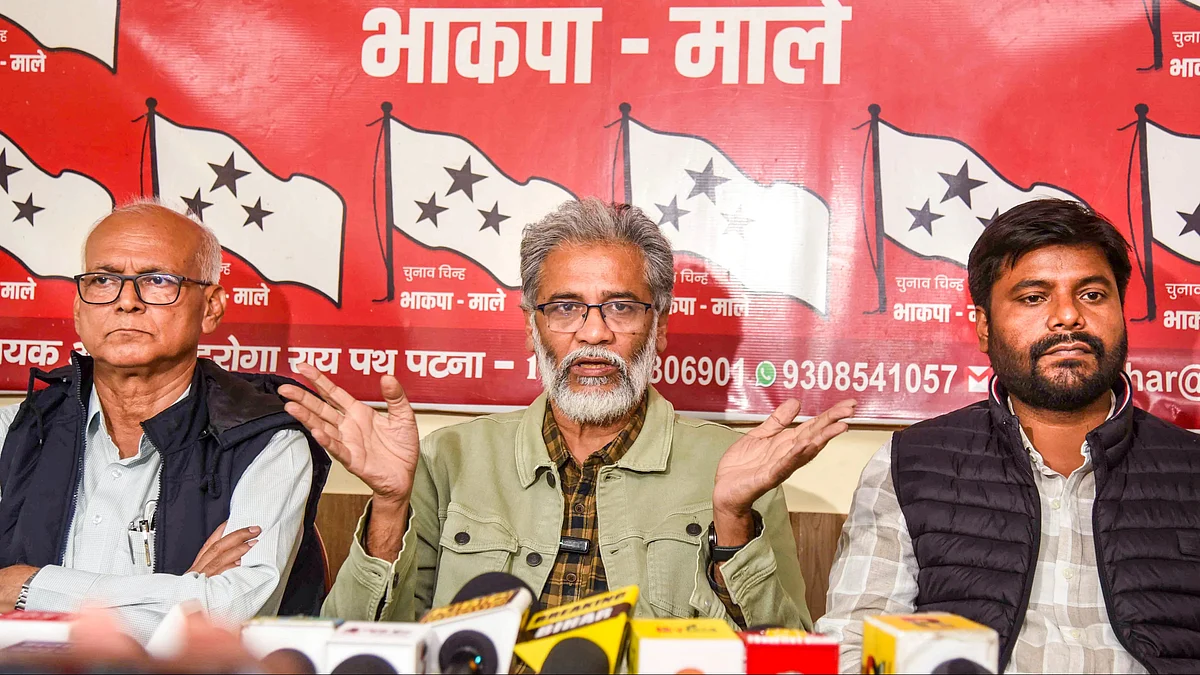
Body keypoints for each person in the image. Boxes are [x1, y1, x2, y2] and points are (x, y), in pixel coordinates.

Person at [281, 199, 855, 636]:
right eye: (565, 307)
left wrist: (731, 520)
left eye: (622, 307)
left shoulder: (735, 471)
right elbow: (361, 641)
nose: (594, 332)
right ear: (533, 325)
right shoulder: (448, 460)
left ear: (661, 326)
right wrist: (387, 505)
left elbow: (787, 653)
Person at [816, 199, 1200, 674]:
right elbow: (854, 646)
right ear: (983, 326)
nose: (1067, 317)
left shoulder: (1192, 469)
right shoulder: (909, 465)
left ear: (1122, 313)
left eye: (1093, 295)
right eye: (1034, 297)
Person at [0, 202, 330, 642]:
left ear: (211, 307)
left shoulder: (263, 440)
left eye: (157, 281)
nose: (127, 302)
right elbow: (201, 611)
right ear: (79, 310)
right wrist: (184, 596)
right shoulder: (16, 430)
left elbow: (229, 617)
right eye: (103, 280)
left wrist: (27, 588)